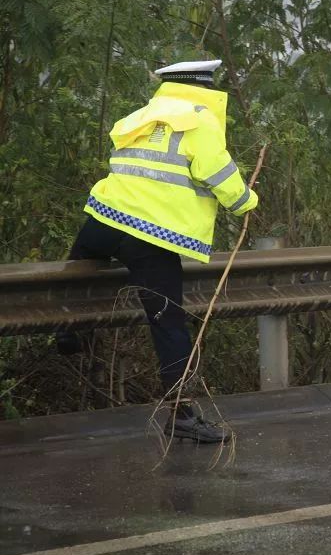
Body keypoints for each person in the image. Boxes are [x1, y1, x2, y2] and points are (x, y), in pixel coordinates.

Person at [57, 60, 258, 444]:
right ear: (204, 87)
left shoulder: (139, 116)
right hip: (148, 236)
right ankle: (181, 414)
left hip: (103, 218)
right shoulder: (200, 121)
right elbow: (220, 177)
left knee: (74, 271)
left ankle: (69, 330)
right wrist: (247, 201)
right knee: (168, 324)